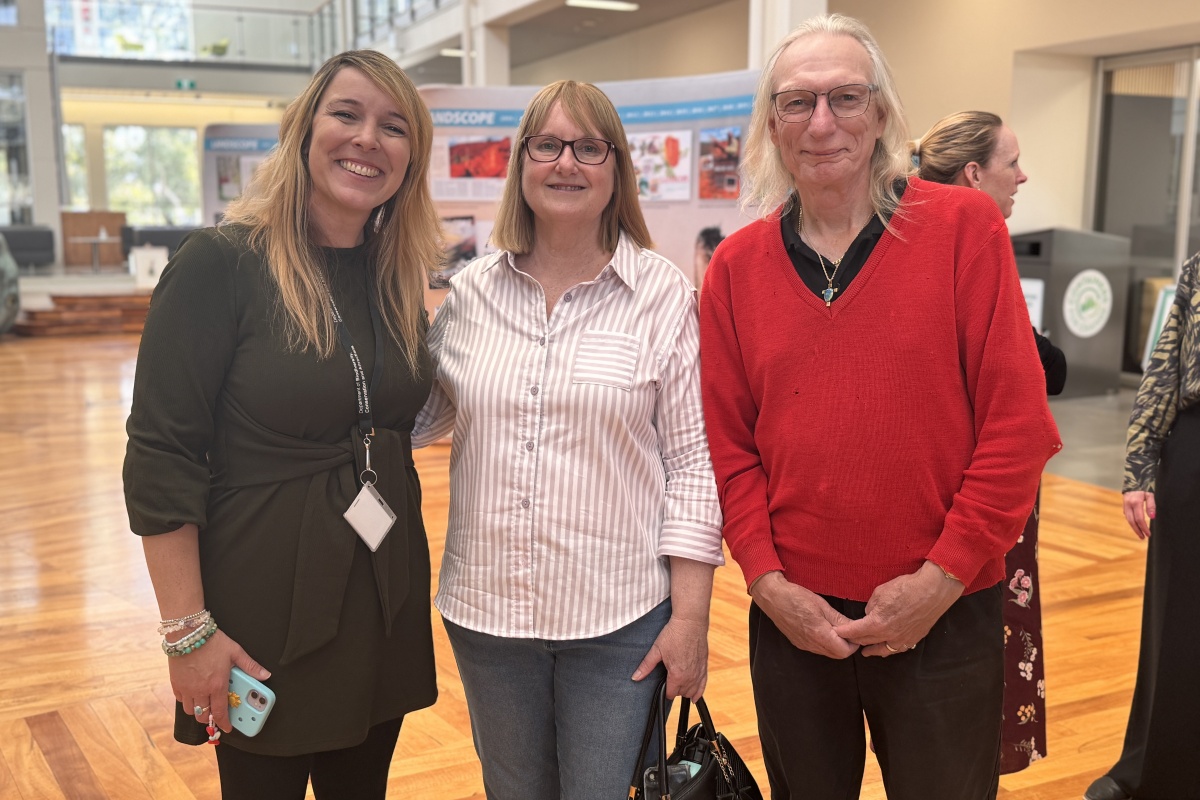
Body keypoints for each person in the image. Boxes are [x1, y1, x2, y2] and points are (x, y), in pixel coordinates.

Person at [699, 14, 1062, 799]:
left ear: (883, 112)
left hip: (945, 609)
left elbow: (1018, 427)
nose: (821, 123)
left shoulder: (963, 229)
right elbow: (730, 449)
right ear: (771, 124)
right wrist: (766, 583)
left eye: (846, 98)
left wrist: (939, 579)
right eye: (797, 102)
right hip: (794, 622)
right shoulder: (734, 268)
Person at [123, 50, 442, 799]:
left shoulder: (397, 277)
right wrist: (187, 633)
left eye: (394, 127)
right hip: (261, 608)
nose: (368, 139)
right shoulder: (220, 264)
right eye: (346, 114)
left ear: (411, 159)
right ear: (303, 130)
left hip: (382, 592)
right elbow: (162, 456)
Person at [413, 79, 724, 800]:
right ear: (521, 163)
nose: (565, 163)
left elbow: (693, 464)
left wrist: (691, 618)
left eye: (589, 148)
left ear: (618, 168)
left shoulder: (662, 296)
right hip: (488, 615)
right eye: (547, 145)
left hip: (621, 620)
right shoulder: (471, 294)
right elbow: (415, 418)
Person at [915, 110, 1067, 772]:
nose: (1023, 176)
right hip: (981, 494)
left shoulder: (905, 236)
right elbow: (1044, 370)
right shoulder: (972, 245)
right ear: (974, 175)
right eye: (1013, 163)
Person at [1082, 249, 1200, 800]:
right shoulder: (1199, 266)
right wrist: (1139, 467)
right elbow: (1166, 363)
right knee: (1176, 623)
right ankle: (1152, 772)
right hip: (1194, 448)